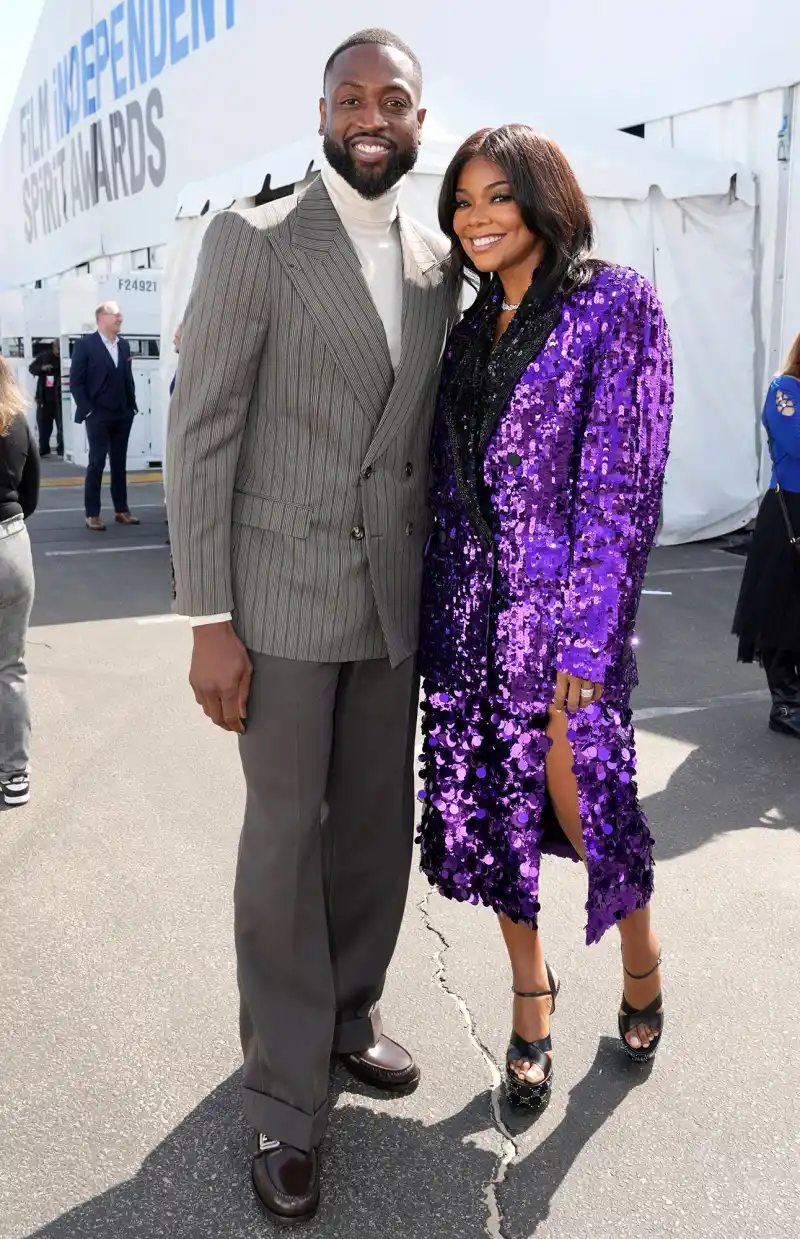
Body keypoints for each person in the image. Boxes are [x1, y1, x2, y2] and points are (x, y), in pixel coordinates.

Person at [167, 30, 458, 1224]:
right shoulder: (256, 237)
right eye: (351, 98)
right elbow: (199, 432)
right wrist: (207, 619)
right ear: (323, 112)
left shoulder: (442, 260)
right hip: (279, 604)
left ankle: (346, 1014)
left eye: (393, 98)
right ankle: (284, 1103)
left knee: (370, 832)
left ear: (421, 118)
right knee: (283, 847)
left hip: (390, 600)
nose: (371, 115)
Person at [417, 126, 674, 1109]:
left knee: (592, 809)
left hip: (562, 624)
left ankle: (640, 962)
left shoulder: (613, 304)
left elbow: (622, 479)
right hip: (466, 622)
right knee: (490, 826)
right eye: (462, 202)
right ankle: (531, 1001)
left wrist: (587, 635)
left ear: (540, 199)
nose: (475, 219)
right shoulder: (464, 330)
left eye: (495, 198)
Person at [733, 331, 800, 737]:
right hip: (790, 510)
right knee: (781, 610)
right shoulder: (785, 388)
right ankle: (787, 703)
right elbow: (795, 441)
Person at [0, 358, 39, 807]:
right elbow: (29, 496)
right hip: (12, 546)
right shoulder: (17, 422)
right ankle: (15, 776)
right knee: (9, 666)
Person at [70, 302, 139, 531]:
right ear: (102, 317)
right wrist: (88, 409)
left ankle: (122, 510)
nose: (120, 318)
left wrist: (131, 405)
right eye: (116, 314)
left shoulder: (124, 345)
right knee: (97, 462)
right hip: (97, 414)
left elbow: (127, 377)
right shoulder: (85, 345)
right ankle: (92, 514)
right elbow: (76, 382)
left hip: (122, 412)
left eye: (120, 314)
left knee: (119, 463)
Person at [29, 339, 63, 457]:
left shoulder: (65, 358)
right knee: (43, 426)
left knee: (62, 426)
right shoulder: (44, 357)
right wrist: (42, 368)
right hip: (45, 399)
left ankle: (61, 448)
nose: (59, 352)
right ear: (54, 347)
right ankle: (44, 448)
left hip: (60, 399)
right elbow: (32, 368)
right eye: (58, 348)